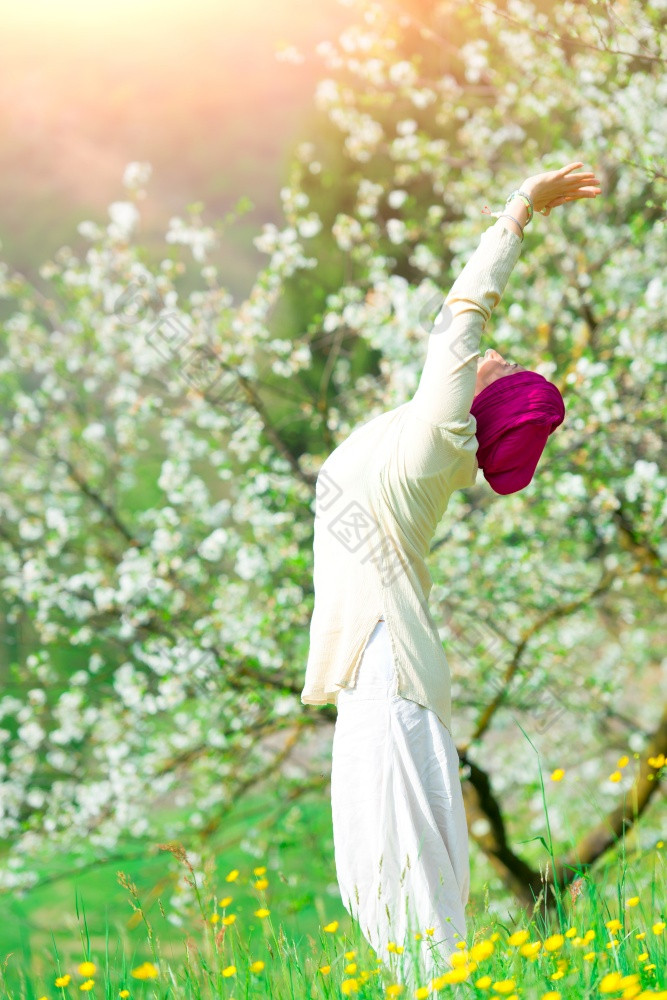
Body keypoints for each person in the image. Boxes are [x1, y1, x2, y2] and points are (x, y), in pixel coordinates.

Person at [301, 162, 602, 990]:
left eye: (499, 368)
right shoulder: (416, 435)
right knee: (382, 877)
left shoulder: (437, 435)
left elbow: (462, 313)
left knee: (408, 888)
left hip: (388, 669)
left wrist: (519, 210)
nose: (494, 355)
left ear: (484, 402)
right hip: (377, 672)